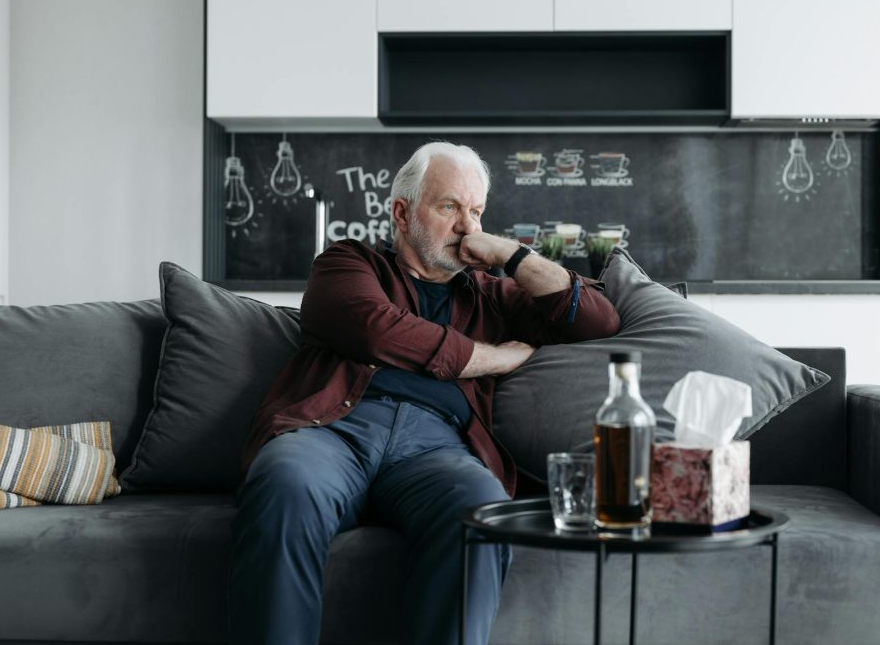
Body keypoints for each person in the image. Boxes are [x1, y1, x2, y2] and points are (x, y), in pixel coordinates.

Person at [229, 141, 620, 645]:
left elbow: (599, 319)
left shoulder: (493, 295)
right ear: (401, 212)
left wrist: (509, 253)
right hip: (332, 430)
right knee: (284, 483)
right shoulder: (348, 264)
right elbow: (377, 331)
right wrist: (497, 358)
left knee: (481, 506)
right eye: (450, 206)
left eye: (476, 211)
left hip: (436, 448)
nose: (467, 227)